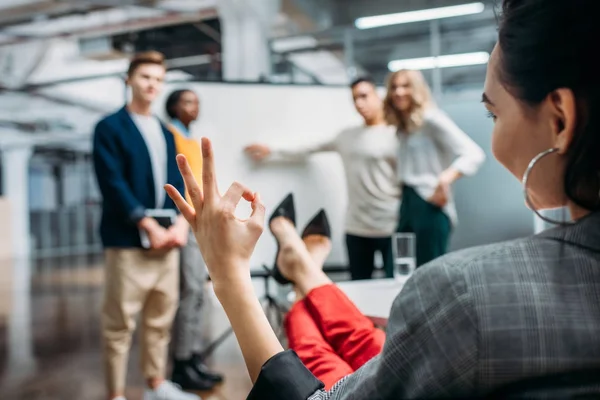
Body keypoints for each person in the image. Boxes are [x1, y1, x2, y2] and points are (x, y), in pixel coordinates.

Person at [165, 0, 600, 397]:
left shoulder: (464, 295)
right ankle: (304, 270)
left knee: (320, 335)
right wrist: (270, 150)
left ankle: (300, 271)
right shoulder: (367, 135)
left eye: (493, 113)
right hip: (379, 230)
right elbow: (315, 145)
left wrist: (227, 271)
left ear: (559, 119)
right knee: (369, 338)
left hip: (407, 223)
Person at [93, 51, 199, 400]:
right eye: (145, 77)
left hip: (168, 240)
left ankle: (156, 385)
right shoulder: (109, 127)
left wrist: (182, 224)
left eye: (158, 79)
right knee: (120, 324)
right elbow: (112, 183)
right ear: (129, 80)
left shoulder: (166, 133)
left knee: (160, 318)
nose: (152, 85)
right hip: (128, 241)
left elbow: (176, 182)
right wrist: (147, 224)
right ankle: (116, 393)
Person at [244, 77, 401, 280]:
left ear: (379, 97)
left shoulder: (397, 134)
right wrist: (272, 150)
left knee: (395, 286)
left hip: (391, 225)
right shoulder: (348, 136)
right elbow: (310, 147)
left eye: (364, 96)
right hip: (357, 227)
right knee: (359, 287)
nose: (359, 103)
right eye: (355, 99)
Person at [384, 69, 486, 267]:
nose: (398, 92)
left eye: (405, 86)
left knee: (429, 274)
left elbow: (474, 153)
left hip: (429, 203)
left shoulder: (431, 119)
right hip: (408, 203)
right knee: (395, 269)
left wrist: (445, 179)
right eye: (394, 87)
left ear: (416, 89)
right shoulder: (402, 128)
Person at [164, 89, 224, 390]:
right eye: (187, 102)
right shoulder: (169, 136)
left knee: (199, 292)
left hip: (201, 222)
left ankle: (193, 357)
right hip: (184, 222)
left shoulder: (191, 137)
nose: (194, 107)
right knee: (190, 292)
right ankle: (181, 363)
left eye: (197, 102)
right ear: (173, 106)